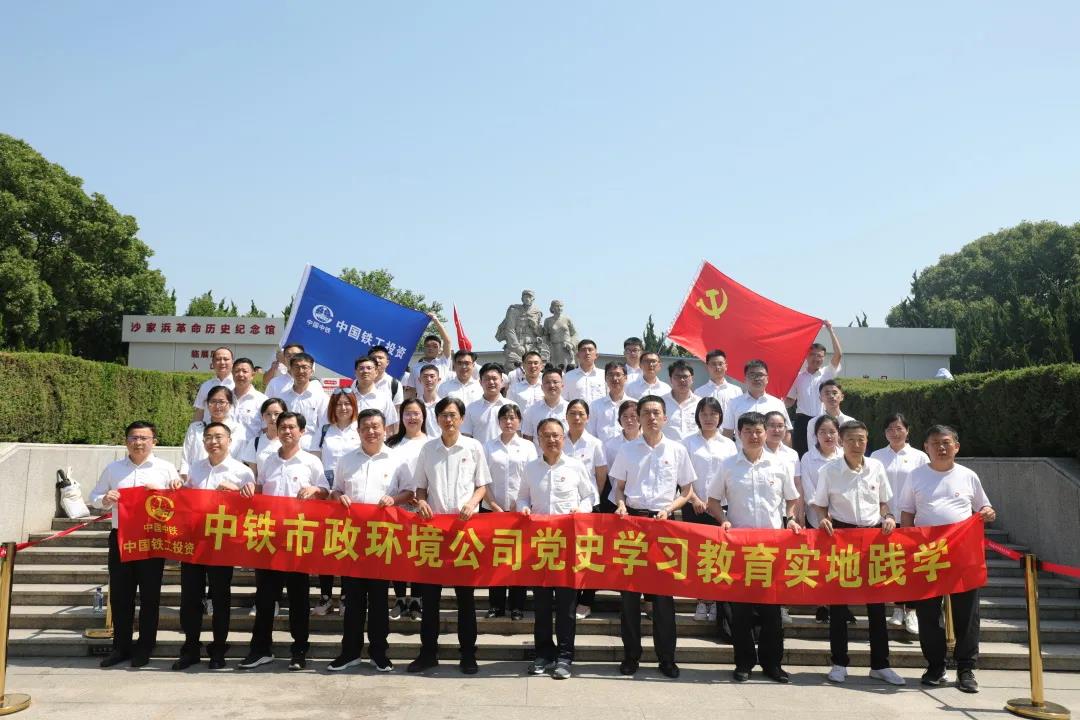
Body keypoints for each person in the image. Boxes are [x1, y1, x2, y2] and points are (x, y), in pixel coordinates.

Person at [899, 425, 996, 694]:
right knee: (928, 613)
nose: (941, 448)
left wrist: (988, 512)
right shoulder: (915, 476)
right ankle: (935, 666)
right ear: (926, 448)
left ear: (956, 446)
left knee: (967, 613)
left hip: (962, 554)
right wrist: (908, 545)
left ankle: (966, 668)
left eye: (946, 442)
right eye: (935, 443)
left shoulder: (968, 476)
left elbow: (984, 506)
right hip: (927, 555)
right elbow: (907, 513)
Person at [708, 411, 800, 684]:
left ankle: (773, 664)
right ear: (738, 434)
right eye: (747, 431)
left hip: (772, 548)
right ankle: (744, 663)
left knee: (772, 612)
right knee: (741, 612)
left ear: (766, 433)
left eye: (758, 430)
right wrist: (723, 520)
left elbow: (791, 499)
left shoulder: (779, 464)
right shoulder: (728, 465)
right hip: (740, 548)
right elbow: (713, 501)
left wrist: (790, 518)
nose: (754, 435)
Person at [811, 420, 904, 686]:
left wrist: (888, 516)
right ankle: (839, 663)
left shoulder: (876, 467)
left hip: (873, 538)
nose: (857, 444)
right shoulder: (829, 470)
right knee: (839, 605)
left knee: (877, 606)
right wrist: (823, 518)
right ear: (841, 441)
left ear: (867, 440)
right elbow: (819, 504)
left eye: (861, 439)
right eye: (851, 439)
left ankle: (880, 665)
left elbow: (884, 502)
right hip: (842, 538)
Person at [611, 395, 695, 679]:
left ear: (665, 418)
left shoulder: (677, 450)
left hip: (663, 525)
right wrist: (621, 504)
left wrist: (669, 508)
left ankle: (667, 658)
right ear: (638, 418)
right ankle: (631, 656)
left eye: (656, 412)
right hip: (633, 524)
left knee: (663, 599)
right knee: (629, 597)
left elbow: (687, 491)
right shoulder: (627, 449)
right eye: (646, 413)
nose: (651, 417)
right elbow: (618, 487)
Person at [237, 412, 329, 671]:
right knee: (265, 598)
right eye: (282, 427)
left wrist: (316, 490)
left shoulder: (311, 462)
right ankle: (260, 649)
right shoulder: (267, 460)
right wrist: (248, 490)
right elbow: (260, 490)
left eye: (291, 427)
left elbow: (326, 492)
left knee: (299, 599)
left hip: (297, 540)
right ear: (276, 431)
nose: (287, 431)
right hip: (269, 539)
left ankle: (299, 650)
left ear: (302, 431)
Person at [407, 397, 492, 674]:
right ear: (437, 419)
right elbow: (420, 487)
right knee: (430, 597)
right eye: (443, 415)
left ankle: (468, 654)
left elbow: (482, 486)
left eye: (453, 415)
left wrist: (472, 502)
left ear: (462, 418)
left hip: (464, 530)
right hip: (434, 531)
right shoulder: (428, 449)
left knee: (465, 598)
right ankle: (428, 653)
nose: (448, 420)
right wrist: (421, 501)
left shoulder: (474, 447)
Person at [327, 409, 414, 673]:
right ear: (358, 431)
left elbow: (409, 492)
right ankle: (350, 652)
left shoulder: (397, 460)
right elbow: (335, 490)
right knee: (352, 600)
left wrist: (393, 499)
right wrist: (338, 497)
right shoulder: (346, 460)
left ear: (385, 430)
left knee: (378, 600)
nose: (371, 431)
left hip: (382, 539)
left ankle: (379, 653)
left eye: (376, 426)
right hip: (353, 540)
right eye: (365, 427)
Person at [90, 421, 179, 668]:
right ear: (126, 441)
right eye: (133, 438)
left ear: (154, 442)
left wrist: (161, 492)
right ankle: (121, 647)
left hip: (152, 539)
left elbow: (177, 502)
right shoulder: (113, 469)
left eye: (144, 438)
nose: (138, 442)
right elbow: (94, 496)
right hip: (121, 538)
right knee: (120, 595)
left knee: (150, 596)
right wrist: (105, 499)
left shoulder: (166, 469)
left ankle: (145, 646)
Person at [520, 418, 598, 680]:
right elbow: (522, 496)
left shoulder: (575, 466)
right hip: (541, 546)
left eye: (556, 435)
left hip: (568, 547)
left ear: (563, 438)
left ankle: (565, 657)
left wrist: (581, 510)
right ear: (538, 439)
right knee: (541, 606)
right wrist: (524, 508)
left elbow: (590, 496)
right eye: (546, 435)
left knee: (566, 607)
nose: (551, 440)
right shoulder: (530, 468)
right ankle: (543, 654)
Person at [171, 421, 252, 670]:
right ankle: (190, 648)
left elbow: (251, 509)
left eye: (218, 437)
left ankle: (218, 649)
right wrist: (178, 489)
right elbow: (186, 501)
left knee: (220, 597)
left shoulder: (242, 472)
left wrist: (237, 492)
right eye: (208, 437)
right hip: (194, 542)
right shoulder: (195, 468)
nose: (213, 442)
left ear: (229, 441)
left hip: (222, 543)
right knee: (190, 597)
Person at [870, 412, 929, 634]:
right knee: (891, 563)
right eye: (890, 429)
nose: (895, 433)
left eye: (899, 428)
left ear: (907, 430)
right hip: (884, 518)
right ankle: (897, 607)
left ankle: (911, 610)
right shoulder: (876, 456)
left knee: (911, 565)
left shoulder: (919, 457)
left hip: (910, 518)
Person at [680, 397, 736, 621]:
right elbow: (683, 476)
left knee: (719, 554)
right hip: (694, 506)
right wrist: (695, 499)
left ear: (720, 417)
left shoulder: (729, 444)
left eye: (713, 414)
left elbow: (731, 477)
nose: (709, 418)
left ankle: (716, 601)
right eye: (704, 414)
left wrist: (716, 503)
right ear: (697, 416)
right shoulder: (687, 442)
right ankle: (701, 601)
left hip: (720, 507)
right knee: (698, 555)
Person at [482, 404, 537, 620]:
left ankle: (517, 606)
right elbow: (482, 479)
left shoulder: (528, 447)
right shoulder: (488, 446)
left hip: (520, 512)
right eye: (504, 418)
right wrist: (493, 505)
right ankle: (496, 605)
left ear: (519, 421)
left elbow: (532, 478)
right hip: (492, 510)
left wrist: (519, 505)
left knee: (518, 559)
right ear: (498, 422)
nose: (508, 422)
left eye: (513, 417)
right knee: (495, 559)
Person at [312, 388, 362, 616]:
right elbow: (315, 461)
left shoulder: (359, 430)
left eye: (347, 403)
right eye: (339, 404)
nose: (343, 408)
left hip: (349, 496)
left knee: (347, 546)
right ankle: (325, 596)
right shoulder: (324, 430)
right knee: (327, 547)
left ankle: (345, 596)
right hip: (327, 496)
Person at [562, 399, 608, 620]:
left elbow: (600, 477)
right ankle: (567, 598)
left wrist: (588, 500)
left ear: (588, 417)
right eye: (572, 413)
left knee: (588, 555)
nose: (577, 417)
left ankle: (586, 600)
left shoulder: (595, 444)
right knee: (566, 554)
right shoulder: (559, 440)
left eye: (581, 413)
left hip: (589, 507)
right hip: (563, 507)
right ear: (566, 416)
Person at [385, 398, 430, 620]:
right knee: (398, 554)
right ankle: (400, 598)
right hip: (398, 505)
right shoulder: (392, 444)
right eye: (407, 413)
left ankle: (417, 600)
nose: (412, 418)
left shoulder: (432, 443)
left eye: (416, 413)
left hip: (423, 507)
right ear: (401, 417)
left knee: (420, 553)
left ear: (423, 416)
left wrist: (421, 498)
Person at [797, 414, 844, 625]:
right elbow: (809, 490)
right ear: (815, 435)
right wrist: (823, 513)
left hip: (842, 518)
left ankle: (840, 604)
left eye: (832, 431)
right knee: (820, 562)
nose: (828, 436)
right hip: (816, 518)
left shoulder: (844, 455)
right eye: (823, 432)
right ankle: (822, 604)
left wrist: (837, 511)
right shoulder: (808, 458)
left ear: (838, 434)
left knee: (840, 562)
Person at [786, 322, 843, 456]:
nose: (816, 358)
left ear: (823, 358)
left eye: (820, 356)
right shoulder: (797, 377)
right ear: (807, 356)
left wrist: (830, 330)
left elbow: (838, 354)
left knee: (825, 454)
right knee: (801, 455)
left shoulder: (827, 373)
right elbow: (790, 401)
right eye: (812, 354)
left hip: (822, 421)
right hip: (802, 422)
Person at [180, 385, 246, 479]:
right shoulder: (195, 428)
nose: (217, 406)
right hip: (196, 480)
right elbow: (185, 459)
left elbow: (238, 459)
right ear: (207, 404)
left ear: (230, 404)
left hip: (225, 480)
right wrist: (186, 480)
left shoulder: (237, 429)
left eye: (222, 402)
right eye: (213, 402)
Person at [722, 360, 791, 447]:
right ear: (745, 379)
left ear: (767, 379)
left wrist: (788, 453)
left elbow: (786, 433)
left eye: (760, 375)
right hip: (742, 453)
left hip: (772, 454)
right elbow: (728, 432)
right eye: (752, 375)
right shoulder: (734, 403)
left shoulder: (777, 404)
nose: (756, 378)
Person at [278, 352, 329, 450]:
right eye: (296, 367)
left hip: (312, 449)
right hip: (287, 448)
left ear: (311, 371)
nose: (300, 371)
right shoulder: (283, 397)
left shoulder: (321, 398)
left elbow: (325, 426)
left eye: (304, 367)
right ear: (290, 369)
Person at [462, 362, 511, 443]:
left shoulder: (511, 406)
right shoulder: (471, 408)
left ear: (501, 381)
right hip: (479, 451)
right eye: (487, 379)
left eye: (494, 378)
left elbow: (517, 435)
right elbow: (466, 437)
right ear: (480, 382)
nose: (491, 382)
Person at [406, 315, 453, 395]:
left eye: (435, 346)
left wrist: (435, 320)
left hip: (442, 402)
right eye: (428, 346)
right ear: (424, 348)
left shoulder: (443, 363)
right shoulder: (415, 367)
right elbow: (412, 390)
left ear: (440, 350)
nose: (431, 348)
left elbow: (447, 341)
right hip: (421, 402)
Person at [352, 356, 400, 434]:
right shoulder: (347, 397)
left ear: (376, 372)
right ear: (355, 373)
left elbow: (390, 429)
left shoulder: (384, 398)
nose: (365, 371)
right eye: (361, 368)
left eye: (369, 368)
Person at [587, 361, 633, 441]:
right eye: (611, 375)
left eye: (618, 375)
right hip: (602, 449)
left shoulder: (635, 404)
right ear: (605, 378)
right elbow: (590, 434)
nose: (614, 378)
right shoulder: (595, 405)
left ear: (625, 378)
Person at [804, 380, 855, 452]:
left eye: (834, 393)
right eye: (827, 393)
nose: (831, 396)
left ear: (842, 397)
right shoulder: (813, 423)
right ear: (820, 398)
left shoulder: (851, 422)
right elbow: (812, 450)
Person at [522, 367, 569, 443]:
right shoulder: (531, 411)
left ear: (562, 386)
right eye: (547, 382)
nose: (552, 385)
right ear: (542, 387)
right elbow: (527, 439)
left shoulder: (570, 409)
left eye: (555, 382)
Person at [241, 397, 287, 475]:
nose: (272, 418)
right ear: (262, 416)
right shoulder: (255, 442)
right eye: (268, 414)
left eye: (276, 414)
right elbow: (253, 474)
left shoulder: (291, 441)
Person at [695, 349, 743, 417]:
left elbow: (740, 415)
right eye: (713, 364)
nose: (717, 367)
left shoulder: (736, 391)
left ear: (726, 366)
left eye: (720, 364)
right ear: (707, 367)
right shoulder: (699, 392)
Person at [192, 346, 235, 421]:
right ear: (213, 363)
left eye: (226, 359)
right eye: (218, 359)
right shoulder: (206, 386)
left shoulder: (238, 385)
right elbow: (199, 411)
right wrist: (194, 427)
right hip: (208, 427)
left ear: (232, 362)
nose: (222, 362)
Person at [661, 359, 700, 440]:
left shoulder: (700, 403)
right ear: (670, 379)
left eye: (685, 376)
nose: (682, 380)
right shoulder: (661, 403)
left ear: (692, 379)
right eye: (677, 377)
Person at [230, 357, 268, 438]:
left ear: (252, 375)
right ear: (232, 374)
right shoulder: (225, 398)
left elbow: (267, 430)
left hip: (251, 446)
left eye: (245, 371)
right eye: (237, 371)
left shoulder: (262, 400)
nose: (240, 374)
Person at [369, 345, 405, 412]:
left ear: (387, 362)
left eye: (380, 358)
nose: (377, 360)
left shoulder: (395, 384)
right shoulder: (358, 382)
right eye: (373, 358)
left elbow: (396, 411)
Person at [415, 363, 443, 437]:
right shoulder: (415, 405)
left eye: (432, 376)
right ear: (419, 380)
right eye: (425, 376)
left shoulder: (444, 405)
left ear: (438, 380)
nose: (428, 379)